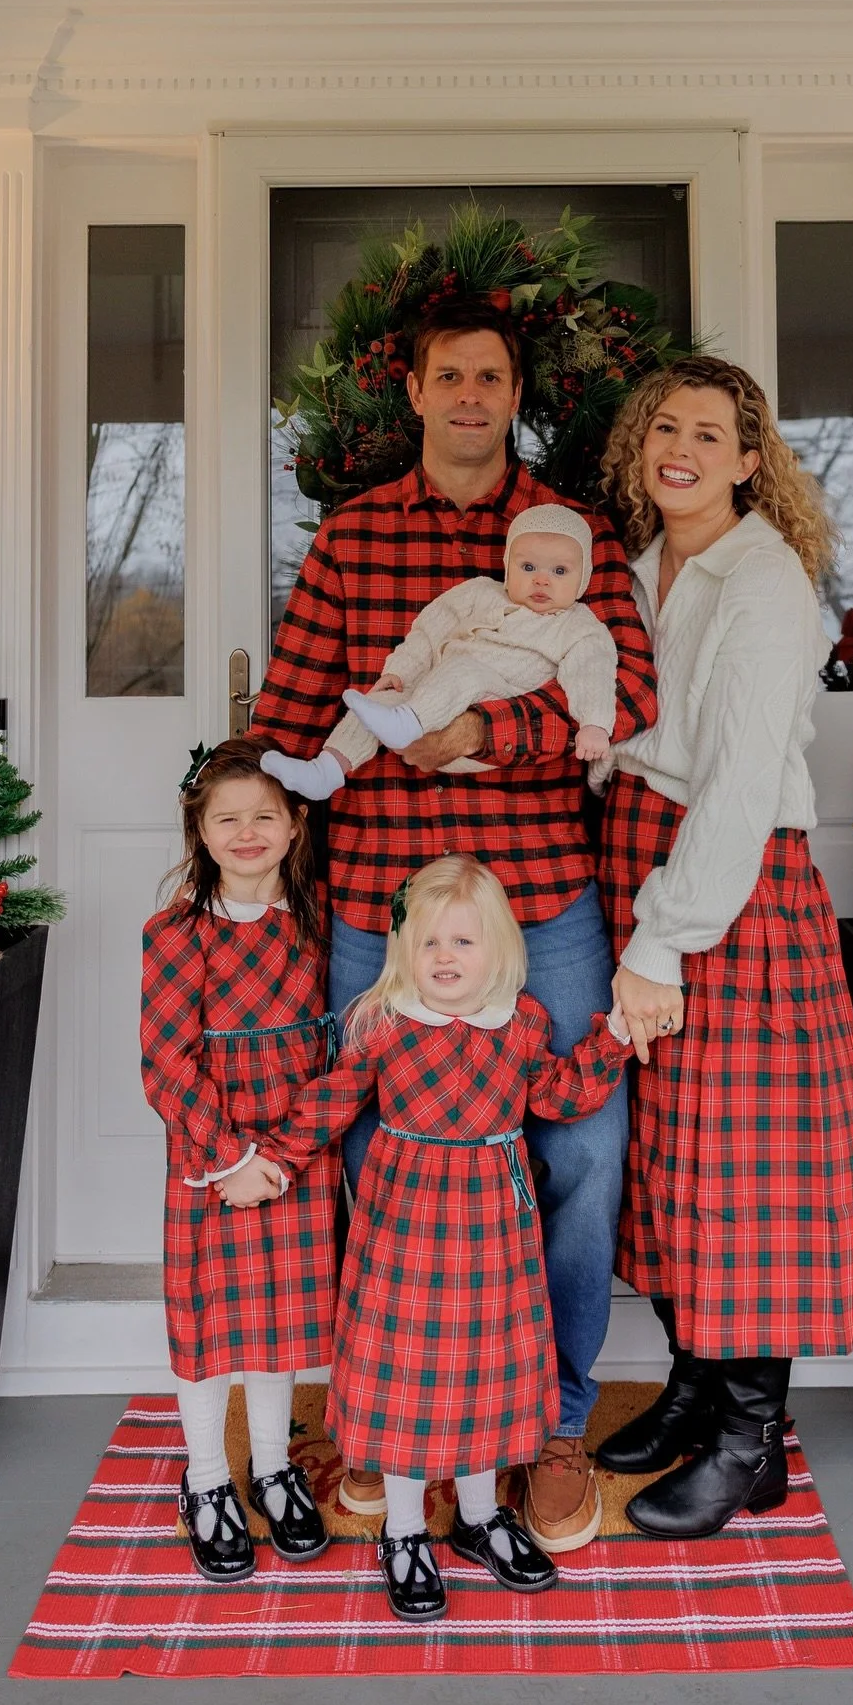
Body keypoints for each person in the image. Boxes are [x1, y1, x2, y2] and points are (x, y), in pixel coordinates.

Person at [251, 297, 657, 1551]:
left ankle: (552, 1424)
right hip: (384, 895)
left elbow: (626, 693)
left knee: (580, 1149)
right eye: (451, 376)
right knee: (377, 1151)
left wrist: (491, 731)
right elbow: (289, 706)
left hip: (542, 895)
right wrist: (234, 847)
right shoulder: (354, 536)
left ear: (515, 394)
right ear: (416, 392)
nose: (471, 395)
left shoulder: (576, 537)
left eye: (492, 376)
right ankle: (389, 1420)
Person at [591, 356, 853, 1538]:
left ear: (751, 463)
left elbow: (736, 782)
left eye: (710, 435)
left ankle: (750, 1440)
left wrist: (662, 943)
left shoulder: (763, 579)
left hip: (730, 885)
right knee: (667, 1154)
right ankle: (697, 1390)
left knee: (740, 1168)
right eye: (666, 428)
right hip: (643, 861)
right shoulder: (633, 568)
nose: (682, 450)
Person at [229, 857, 631, 1622]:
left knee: (486, 1376)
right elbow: (331, 1101)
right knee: (406, 1380)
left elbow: (560, 1095)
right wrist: (273, 1160)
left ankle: (479, 1518)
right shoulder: (383, 1023)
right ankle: (405, 1532)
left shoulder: (521, 1024)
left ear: (499, 949)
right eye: (429, 942)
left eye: (463, 941)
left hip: (495, 1244)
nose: (445, 957)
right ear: (404, 952)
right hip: (405, 1241)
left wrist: (611, 1038)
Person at [139, 738, 337, 1580]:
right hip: (211, 1157)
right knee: (209, 1323)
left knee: (276, 1323)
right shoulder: (177, 933)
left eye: (265, 816)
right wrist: (231, 1159)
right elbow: (165, 1063)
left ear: (295, 825)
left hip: (295, 1152)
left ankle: (274, 1467)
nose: (247, 833)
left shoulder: (319, 925)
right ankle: (207, 1477)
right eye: (228, 819)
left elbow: (337, 1056)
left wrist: (282, 1158)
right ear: (200, 829)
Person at [263, 504, 618, 800]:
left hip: (490, 715)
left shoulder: (579, 626)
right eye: (528, 567)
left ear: (583, 578)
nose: (542, 580)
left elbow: (593, 673)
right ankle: (326, 770)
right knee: (378, 702)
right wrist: (399, 672)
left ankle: (406, 722)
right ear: (508, 564)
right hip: (433, 701)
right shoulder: (480, 592)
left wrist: (595, 724)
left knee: (465, 669)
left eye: (560, 571)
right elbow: (429, 632)